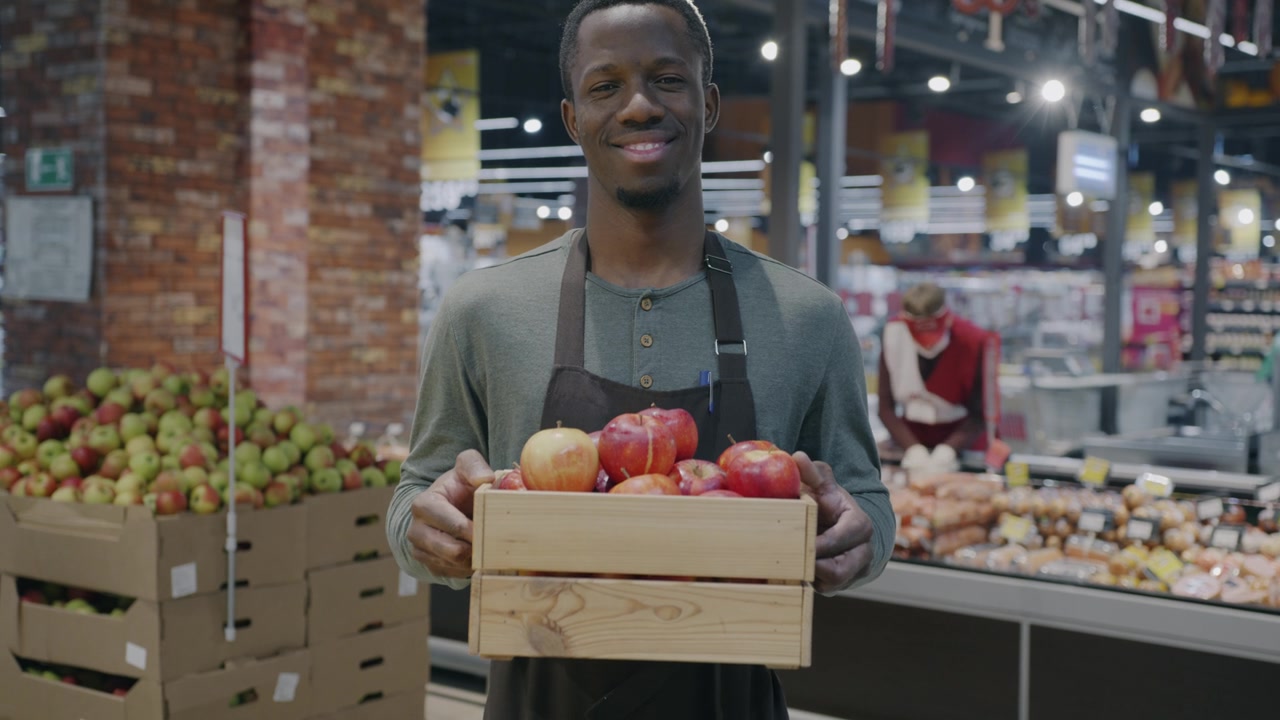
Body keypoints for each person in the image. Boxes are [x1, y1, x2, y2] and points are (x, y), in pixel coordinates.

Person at [387, 1, 894, 716]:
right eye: (605, 86)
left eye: (667, 79)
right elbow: (412, 494)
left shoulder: (806, 316)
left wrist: (857, 541)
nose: (637, 106)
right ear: (572, 118)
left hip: (732, 697)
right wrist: (427, 529)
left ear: (708, 102)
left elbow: (869, 502)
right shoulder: (484, 310)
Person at [877, 282, 1000, 475]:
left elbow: (981, 412)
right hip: (909, 435)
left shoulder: (973, 340)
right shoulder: (893, 336)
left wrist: (949, 449)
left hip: (962, 436)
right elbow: (885, 407)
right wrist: (913, 448)